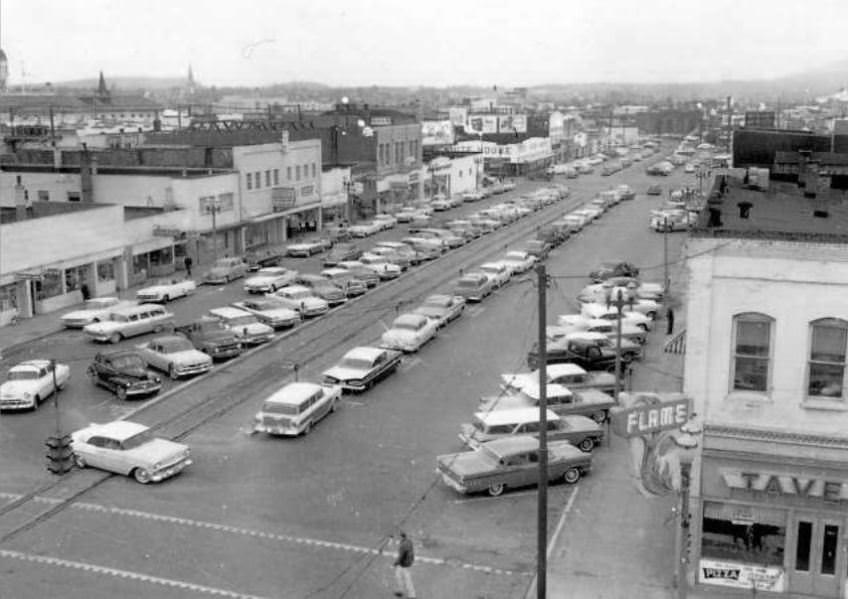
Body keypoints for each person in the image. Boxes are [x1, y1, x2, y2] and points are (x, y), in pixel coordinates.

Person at [393, 531, 416, 598]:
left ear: (401, 537)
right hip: (408, 563)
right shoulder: (409, 541)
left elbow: (401, 556)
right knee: (401, 577)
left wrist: (395, 563)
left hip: (404, 564)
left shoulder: (403, 545)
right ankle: (409, 594)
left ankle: (410, 595)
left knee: (404, 578)